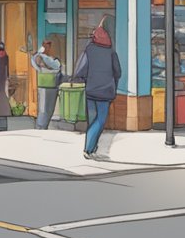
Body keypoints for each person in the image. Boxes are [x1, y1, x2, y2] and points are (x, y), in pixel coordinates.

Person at [75, 23, 121, 160]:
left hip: (90, 92)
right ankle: (89, 149)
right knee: (100, 122)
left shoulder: (89, 50)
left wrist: (87, 79)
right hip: (105, 92)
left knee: (92, 121)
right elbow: (118, 72)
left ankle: (91, 149)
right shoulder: (111, 52)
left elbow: (79, 70)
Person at [31, 41, 64, 130]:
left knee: (48, 109)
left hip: (51, 84)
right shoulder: (40, 57)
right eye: (46, 46)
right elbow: (54, 66)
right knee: (45, 109)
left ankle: (42, 126)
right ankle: (41, 127)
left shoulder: (44, 57)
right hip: (46, 85)